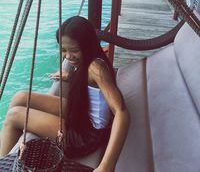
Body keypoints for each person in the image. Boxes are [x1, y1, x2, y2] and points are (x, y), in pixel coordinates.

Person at [0, 16, 130, 172]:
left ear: (87, 45)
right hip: (82, 113)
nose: (68, 56)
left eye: (74, 50)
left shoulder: (96, 67)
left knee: (15, 116)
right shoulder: (89, 61)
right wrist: (70, 77)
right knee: (20, 96)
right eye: (63, 50)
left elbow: (122, 113)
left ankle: (3, 163)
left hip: (86, 136)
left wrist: (107, 165)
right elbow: (88, 82)